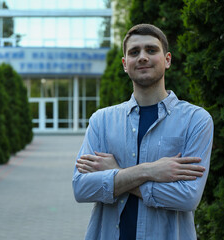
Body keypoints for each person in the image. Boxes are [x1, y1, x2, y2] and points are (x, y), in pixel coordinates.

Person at [72, 24, 213, 240]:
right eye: (134, 52)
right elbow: (82, 188)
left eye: (151, 50)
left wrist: (117, 173)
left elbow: (187, 197)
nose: (143, 57)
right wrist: (149, 170)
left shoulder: (196, 120)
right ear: (125, 64)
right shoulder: (102, 120)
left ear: (167, 60)